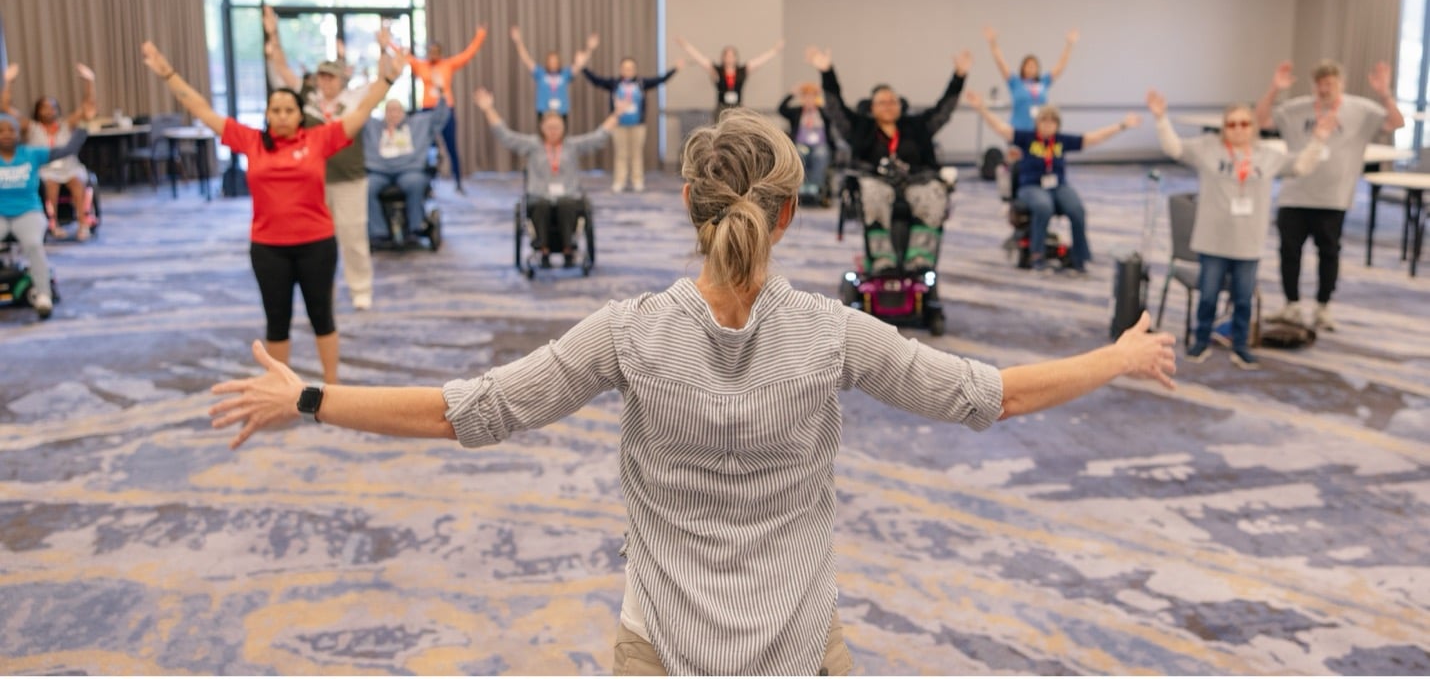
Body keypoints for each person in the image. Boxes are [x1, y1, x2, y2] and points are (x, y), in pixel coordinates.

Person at [208, 108, 1178, 677]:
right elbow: (988, 396)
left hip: (660, 646)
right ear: (792, 213)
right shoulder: (833, 332)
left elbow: (466, 411)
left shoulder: (626, 332)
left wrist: (307, 399)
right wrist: (1117, 356)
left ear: (686, 200)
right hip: (799, 638)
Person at [142, 39, 400, 383]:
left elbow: (362, 111)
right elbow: (202, 109)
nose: (281, 116)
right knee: (276, 320)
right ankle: (280, 388)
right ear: (266, 114)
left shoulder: (318, 139)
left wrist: (386, 82)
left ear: (299, 115)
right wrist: (168, 74)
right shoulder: (251, 141)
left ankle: (332, 386)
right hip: (268, 248)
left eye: (288, 110)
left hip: (317, 245)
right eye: (275, 110)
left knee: (321, 315)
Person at [1148, 90, 1334, 368]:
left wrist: (1318, 139)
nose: (1238, 129)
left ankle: (1241, 345)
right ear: (1224, 128)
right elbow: (1174, 148)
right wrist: (1161, 119)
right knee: (1208, 296)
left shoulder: (1267, 156)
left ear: (1253, 128)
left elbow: (1302, 166)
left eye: (1244, 124)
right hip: (1212, 241)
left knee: (1244, 300)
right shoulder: (1207, 148)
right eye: (1232, 124)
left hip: (1248, 243)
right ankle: (1201, 340)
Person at [1254, 59, 1405, 330]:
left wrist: (1385, 93)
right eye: (1320, 84)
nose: (1324, 89)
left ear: (1341, 84)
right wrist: (1274, 89)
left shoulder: (1360, 109)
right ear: (1314, 85)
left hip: (1333, 198)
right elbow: (1261, 120)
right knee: (1289, 252)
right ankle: (1292, 306)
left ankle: (1323, 307)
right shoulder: (1296, 108)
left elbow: (1396, 123)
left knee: (1329, 253)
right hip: (1294, 195)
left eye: (1330, 84)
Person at [808, 44, 972, 275]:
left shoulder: (916, 127)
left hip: (915, 181)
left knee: (933, 192)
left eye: (892, 101)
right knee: (873, 193)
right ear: (872, 108)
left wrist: (959, 77)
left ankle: (920, 258)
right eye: (882, 102)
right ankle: (881, 258)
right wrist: (827, 73)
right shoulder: (860, 129)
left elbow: (943, 110)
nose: (888, 106)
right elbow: (836, 109)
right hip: (875, 181)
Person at [264, 6, 379, 311]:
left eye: (331, 77)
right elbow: (283, 69)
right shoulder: (307, 102)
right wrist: (273, 34)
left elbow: (380, 87)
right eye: (322, 77)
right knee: (318, 242)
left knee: (353, 236)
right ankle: (324, 288)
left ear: (341, 80)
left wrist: (384, 47)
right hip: (313, 182)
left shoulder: (353, 101)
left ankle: (360, 289)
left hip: (350, 179)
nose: (326, 82)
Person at [965, 91, 1141, 274]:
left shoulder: (1061, 141)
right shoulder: (1028, 138)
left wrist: (1122, 126)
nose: (1048, 125)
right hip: (1030, 186)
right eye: (1044, 120)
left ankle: (1080, 257)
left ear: (1057, 125)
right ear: (1038, 123)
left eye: (1052, 121)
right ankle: (1037, 255)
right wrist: (982, 109)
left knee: (1076, 209)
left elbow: (1093, 138)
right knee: (1043, 206)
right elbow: (1001, 129)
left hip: (1057, 186)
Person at [474, 87, 626, 266]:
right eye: (549, 127)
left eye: (557, 127)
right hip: (539, 195)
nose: (553, 130)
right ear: (542, 128)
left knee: (567, 204)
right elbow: (505, 136)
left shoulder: (571, 145)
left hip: (568, 195)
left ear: (563, 128)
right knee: (540, 205)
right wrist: (488, 109)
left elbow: (599, 137)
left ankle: (569, 248)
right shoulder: (533, 144)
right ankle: (542, 248)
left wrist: (616, 114)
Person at [0, 109, 89, 319]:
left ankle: (43, 296)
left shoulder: (31, 154)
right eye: (1, 131)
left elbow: (66, 150)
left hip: (28, 212)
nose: (6, 134)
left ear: (18, 134)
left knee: (33, 244)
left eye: (10, 130)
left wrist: (83, 126)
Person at [1, 62, 98, 239]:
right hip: (45, 169)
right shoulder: (31, 127)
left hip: (69, 167)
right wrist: (8, 82)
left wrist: (90, 81)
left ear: (57, 109)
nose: (49, 110)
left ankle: (83, 224)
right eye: (45, 107)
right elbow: (6, 110)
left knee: (77, 182)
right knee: (50, 185)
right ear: (38, 110)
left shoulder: (66, 124)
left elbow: (87, 109)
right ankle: (53, 224)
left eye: (52, 107)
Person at [400, 27, 487, 194]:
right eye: (431, 51)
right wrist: (388, 40)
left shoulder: (448, 65)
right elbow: (404, 56)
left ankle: (458, 183)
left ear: (441, 53)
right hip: (427, 111)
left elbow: (468, 54)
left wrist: (480, 36)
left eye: (436, 52)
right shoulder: (420, 66)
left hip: (446, 109)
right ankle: (427, 185)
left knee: (451, 147)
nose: (433, 54)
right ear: (427, 52)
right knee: (425, 149)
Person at [582, 55, 682, 193]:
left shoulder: (641, 83)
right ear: (621, 69)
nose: (628, 70)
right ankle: (619, 181)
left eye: (631, 68)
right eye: (625, 68)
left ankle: (637, 181)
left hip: (638, 125)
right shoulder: (615, 83)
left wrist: (674, 69)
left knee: (636, 154)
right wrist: (583, 68)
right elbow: (597, 80)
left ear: (635, 70)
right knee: (621, 154)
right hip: (619, 125)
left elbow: (660, 80)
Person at [362, 91, 448, 245]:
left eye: (397, 110)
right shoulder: (373, 126)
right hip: (379, 170)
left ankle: (415, 226)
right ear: (384, 113)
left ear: (403, 112)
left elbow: (440, 117)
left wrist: (441, 93)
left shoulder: (418, 123)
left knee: (414, 183)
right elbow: (358, 114)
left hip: (409, 169)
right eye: (390, 110)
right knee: (366, 187)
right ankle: (378, 231)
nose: (393, 114)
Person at [984, 25, 1079, 131]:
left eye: (1034, 66)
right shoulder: (1015, 82)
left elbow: (1060, 66)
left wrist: (1069, 45)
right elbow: (1000, 63)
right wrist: (992, 43)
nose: (1031, 68)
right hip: (1018, 129)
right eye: (1028, 65)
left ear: (1038, 69)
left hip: (1038, 131)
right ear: (1023, 68)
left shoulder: (1043, 82)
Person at [675, 36, 784, 119]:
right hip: (722, 108)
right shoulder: (717, 70)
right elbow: (700, 59)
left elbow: (759, 61)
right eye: (727, 55)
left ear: (736, 58)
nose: (729, 58)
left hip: (738, 107)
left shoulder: (742, 71)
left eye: (732, 56)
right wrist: (685, 46)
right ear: (723, 57)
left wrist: (774, 51)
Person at [510, 25, 597, 121]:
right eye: (550, 61)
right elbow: (526, 59)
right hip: (544, 111)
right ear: (546, 62)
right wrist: (518, 42)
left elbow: (579, 65)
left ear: (559, 62)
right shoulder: (540, 73)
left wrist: (589, 49)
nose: (553, 63)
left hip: (561, 111)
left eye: (555, 61)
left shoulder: (565, 74)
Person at [777, 81, 836, 201]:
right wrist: (791, 94)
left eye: (812, 97)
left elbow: (835, 109)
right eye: (806, 97)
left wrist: (825, 93)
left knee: (821, 154)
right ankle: (801, 187)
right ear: (803, 99)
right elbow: (781, 109)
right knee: (799, 153)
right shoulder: (797, 112)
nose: (809, 100)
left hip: (820, 145)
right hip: (802, 145)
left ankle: (816, 187)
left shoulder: (823, 112)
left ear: (816, 98)